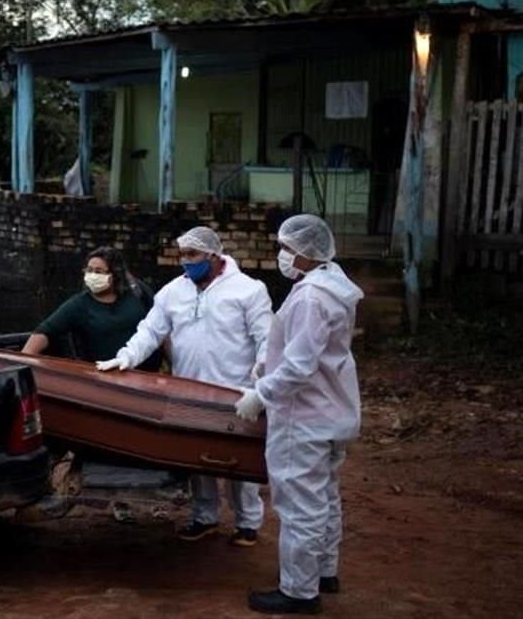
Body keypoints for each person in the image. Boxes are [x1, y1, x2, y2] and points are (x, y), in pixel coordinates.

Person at [96, 226, 271, 547]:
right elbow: (150, 331)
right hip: (189, 389)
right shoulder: (172, 292)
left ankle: (247, 522)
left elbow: (266, 340)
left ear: (214, 256)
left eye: (193, 255)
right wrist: (125, 357)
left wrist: (260, 387)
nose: (186, 262)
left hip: (236, 390)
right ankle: (205, 517)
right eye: (183, 255)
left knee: (238, 461)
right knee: (197, 457)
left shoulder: (249, 290)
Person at [235, 214, 364, 615]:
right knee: (324, 497)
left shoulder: (310, 297)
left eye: (287, 248)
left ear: (307, 253)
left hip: (303, 416)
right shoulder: (332, 284)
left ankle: (298, 592)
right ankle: (324, 572)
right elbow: (309, 352)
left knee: (299, 506)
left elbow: (300, 365)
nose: (282, 255)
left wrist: (261, 394)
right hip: (332, 409)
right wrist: (267, 367)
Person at [22, 246, 161, 371]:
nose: (93, 275)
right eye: (89, 270)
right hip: (104, 377)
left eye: (99, 271)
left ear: (115, 274)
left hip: (147, 377)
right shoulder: (79, 305)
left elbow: (160, 327)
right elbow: (44, 332)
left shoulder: (138, 293)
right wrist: (21, 365)